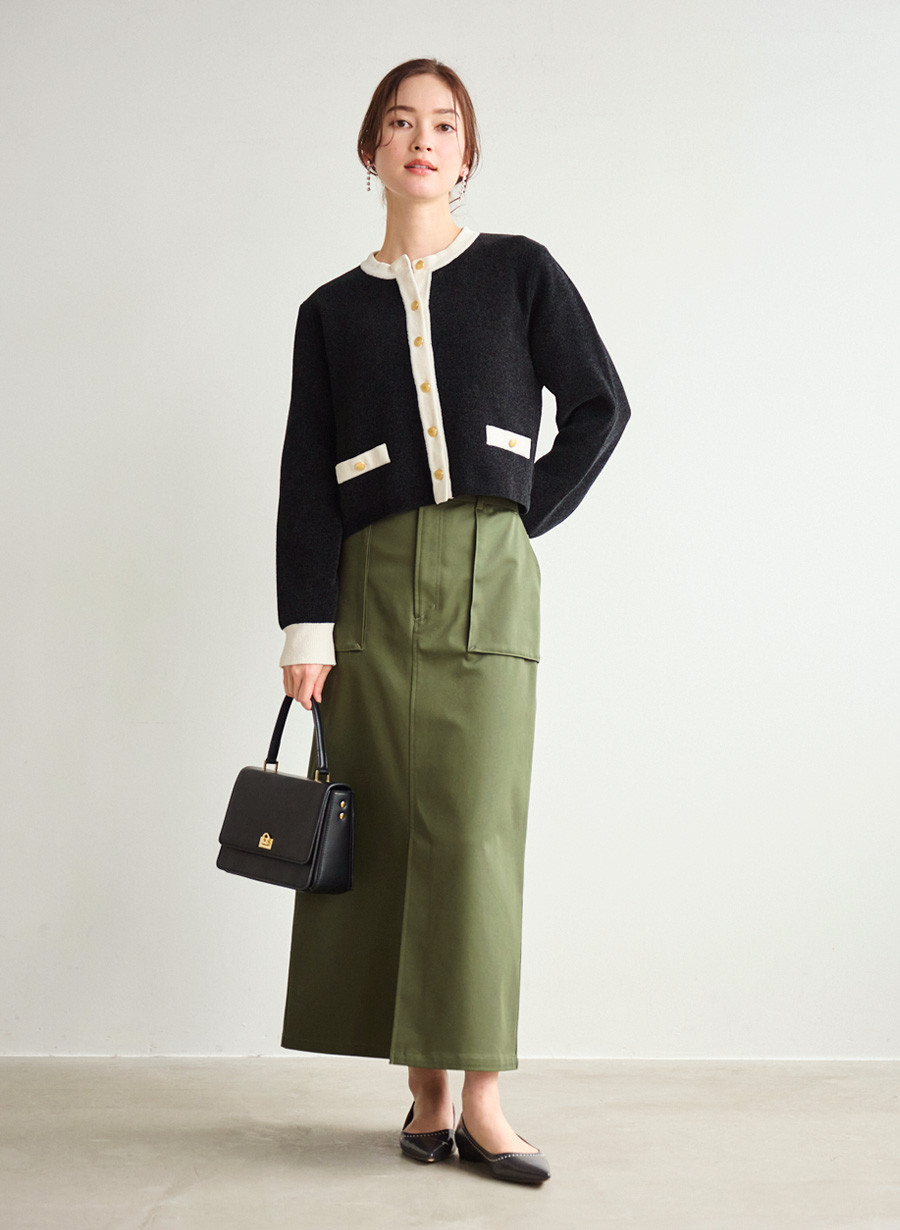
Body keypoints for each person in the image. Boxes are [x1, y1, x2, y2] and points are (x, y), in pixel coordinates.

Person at [276, 57, 631, 1185]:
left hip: (489, 572)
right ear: (371, 150)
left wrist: (521, 510)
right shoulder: (330, 311)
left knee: (475, 840)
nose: (421, 140)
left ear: (467, 155)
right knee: (385, 835)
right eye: (400, 123)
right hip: (370, 584)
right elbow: (304, 479)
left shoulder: (520, 272)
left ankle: (482, 1098)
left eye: (443, 125)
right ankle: (424, 1097)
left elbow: (601, 405)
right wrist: (306, 627)